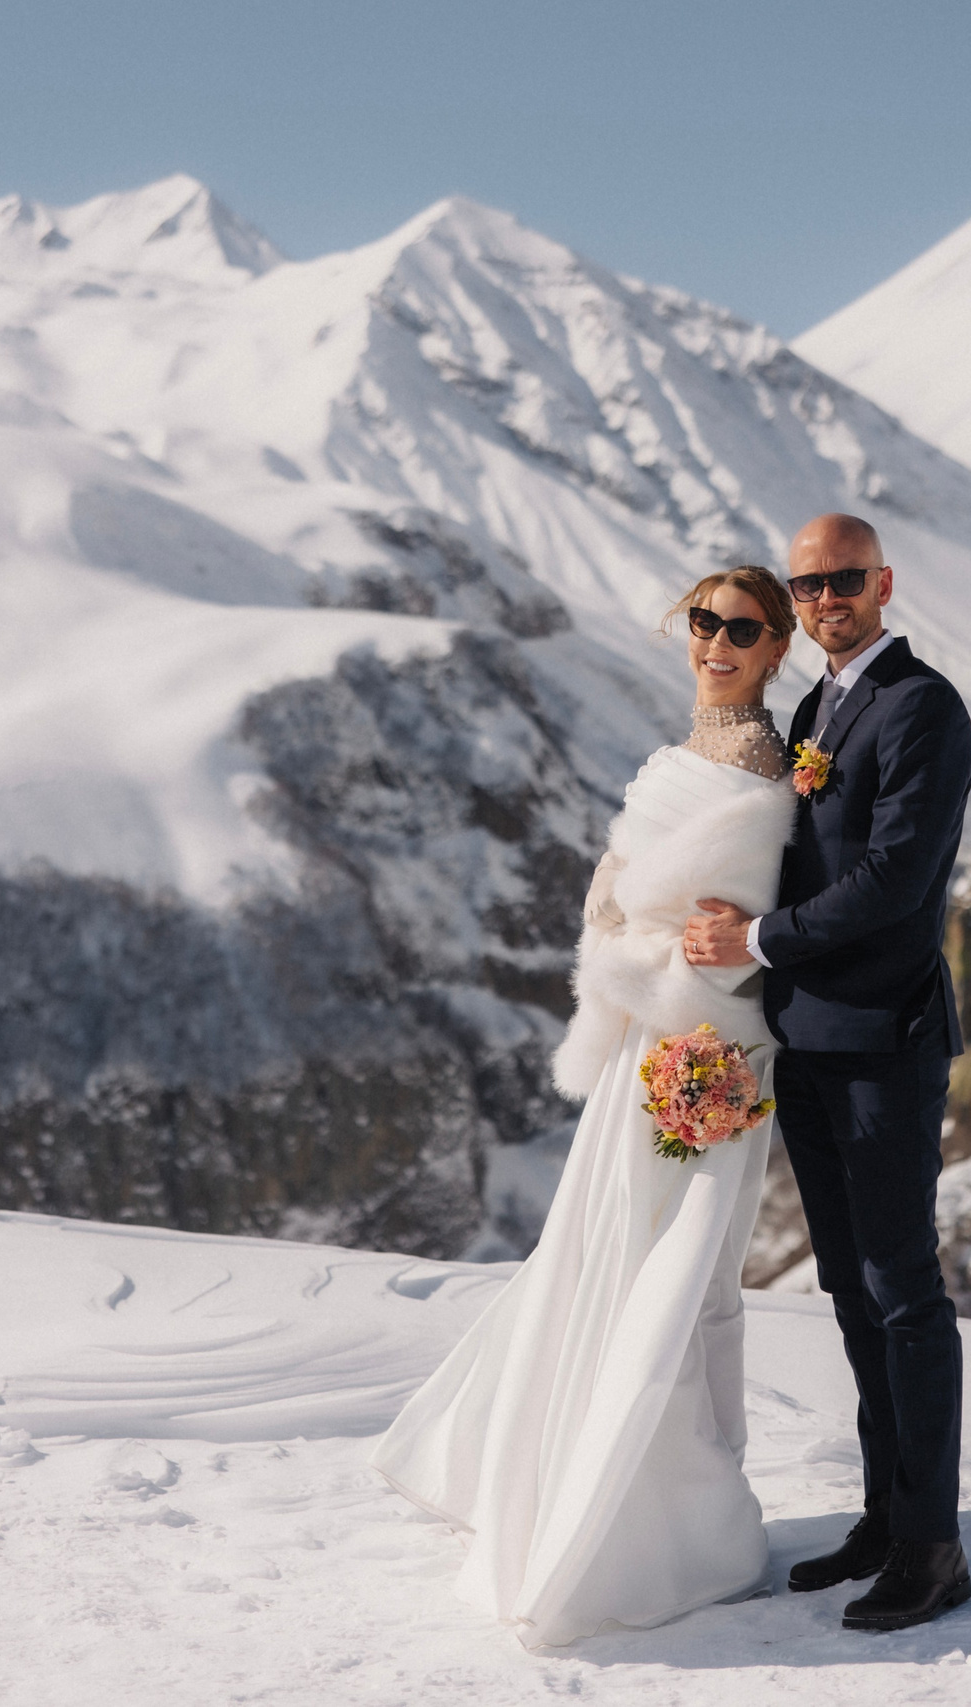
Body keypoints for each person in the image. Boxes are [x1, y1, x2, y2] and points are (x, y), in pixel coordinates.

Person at [372, 566, 799, 1648]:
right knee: (633, 1256)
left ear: (775, 647)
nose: (716, 641)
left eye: (741, 629)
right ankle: (619, 1504)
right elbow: (630, 900)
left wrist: (628, 946)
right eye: (702, 621)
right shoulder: (703, 745)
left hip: (699, 1048)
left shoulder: (758, 765)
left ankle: (645, 1521)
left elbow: (713, 925)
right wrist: (622, 935)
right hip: (651, 1044)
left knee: (668, 1265)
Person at [682, 512, 971, 1634]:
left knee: (905, 1296)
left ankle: (934, 1547)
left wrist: (754, 943)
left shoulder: (922, 706)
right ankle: (882, 1518)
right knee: (849, 1290)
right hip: (808, 1040)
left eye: (843, 580)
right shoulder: (816, 709)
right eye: (807, 587)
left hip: (883, 1043)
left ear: (883, 582)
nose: (823, 599)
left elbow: (897, 879)